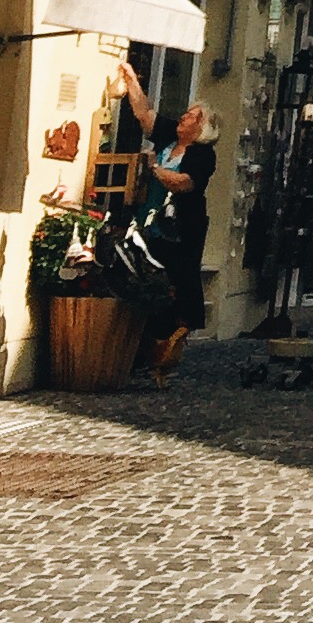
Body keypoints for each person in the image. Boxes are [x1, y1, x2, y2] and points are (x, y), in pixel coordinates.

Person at [115, 57, 219, 384]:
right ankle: (145, 349)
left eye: (191, 116)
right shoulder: (170, 139)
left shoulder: (203, 154)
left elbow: (184, 183)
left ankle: (163, 349)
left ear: (201, 128)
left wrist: (154, 169)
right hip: (150, 220)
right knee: (143, 276)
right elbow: (145, 114)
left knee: (172, 284)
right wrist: (130, 79)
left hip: (179, 230)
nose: (183, 117)